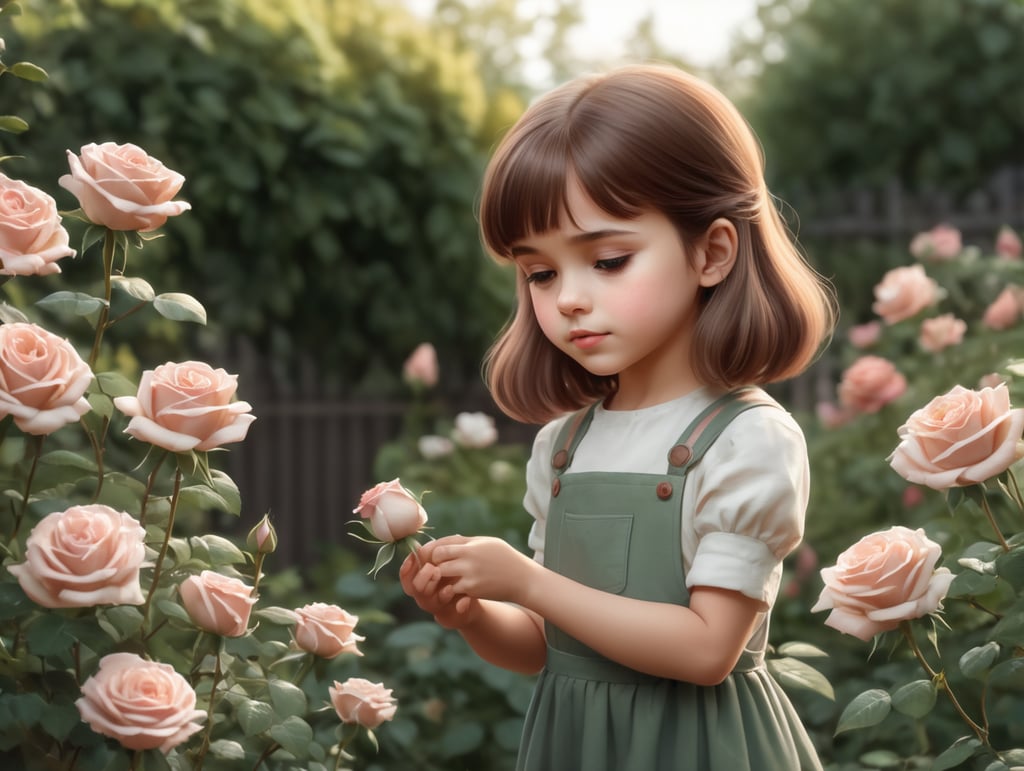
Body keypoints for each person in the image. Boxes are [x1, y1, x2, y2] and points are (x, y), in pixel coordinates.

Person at [399, 63, 834, 770]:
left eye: (607, 259)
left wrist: (528, 580)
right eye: (540, 272)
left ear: (712, 252)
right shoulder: (564, 445)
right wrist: (473, 610)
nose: (568, 297)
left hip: (700, 748)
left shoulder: (745, 439)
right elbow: (544, 644)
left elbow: (705, 650)